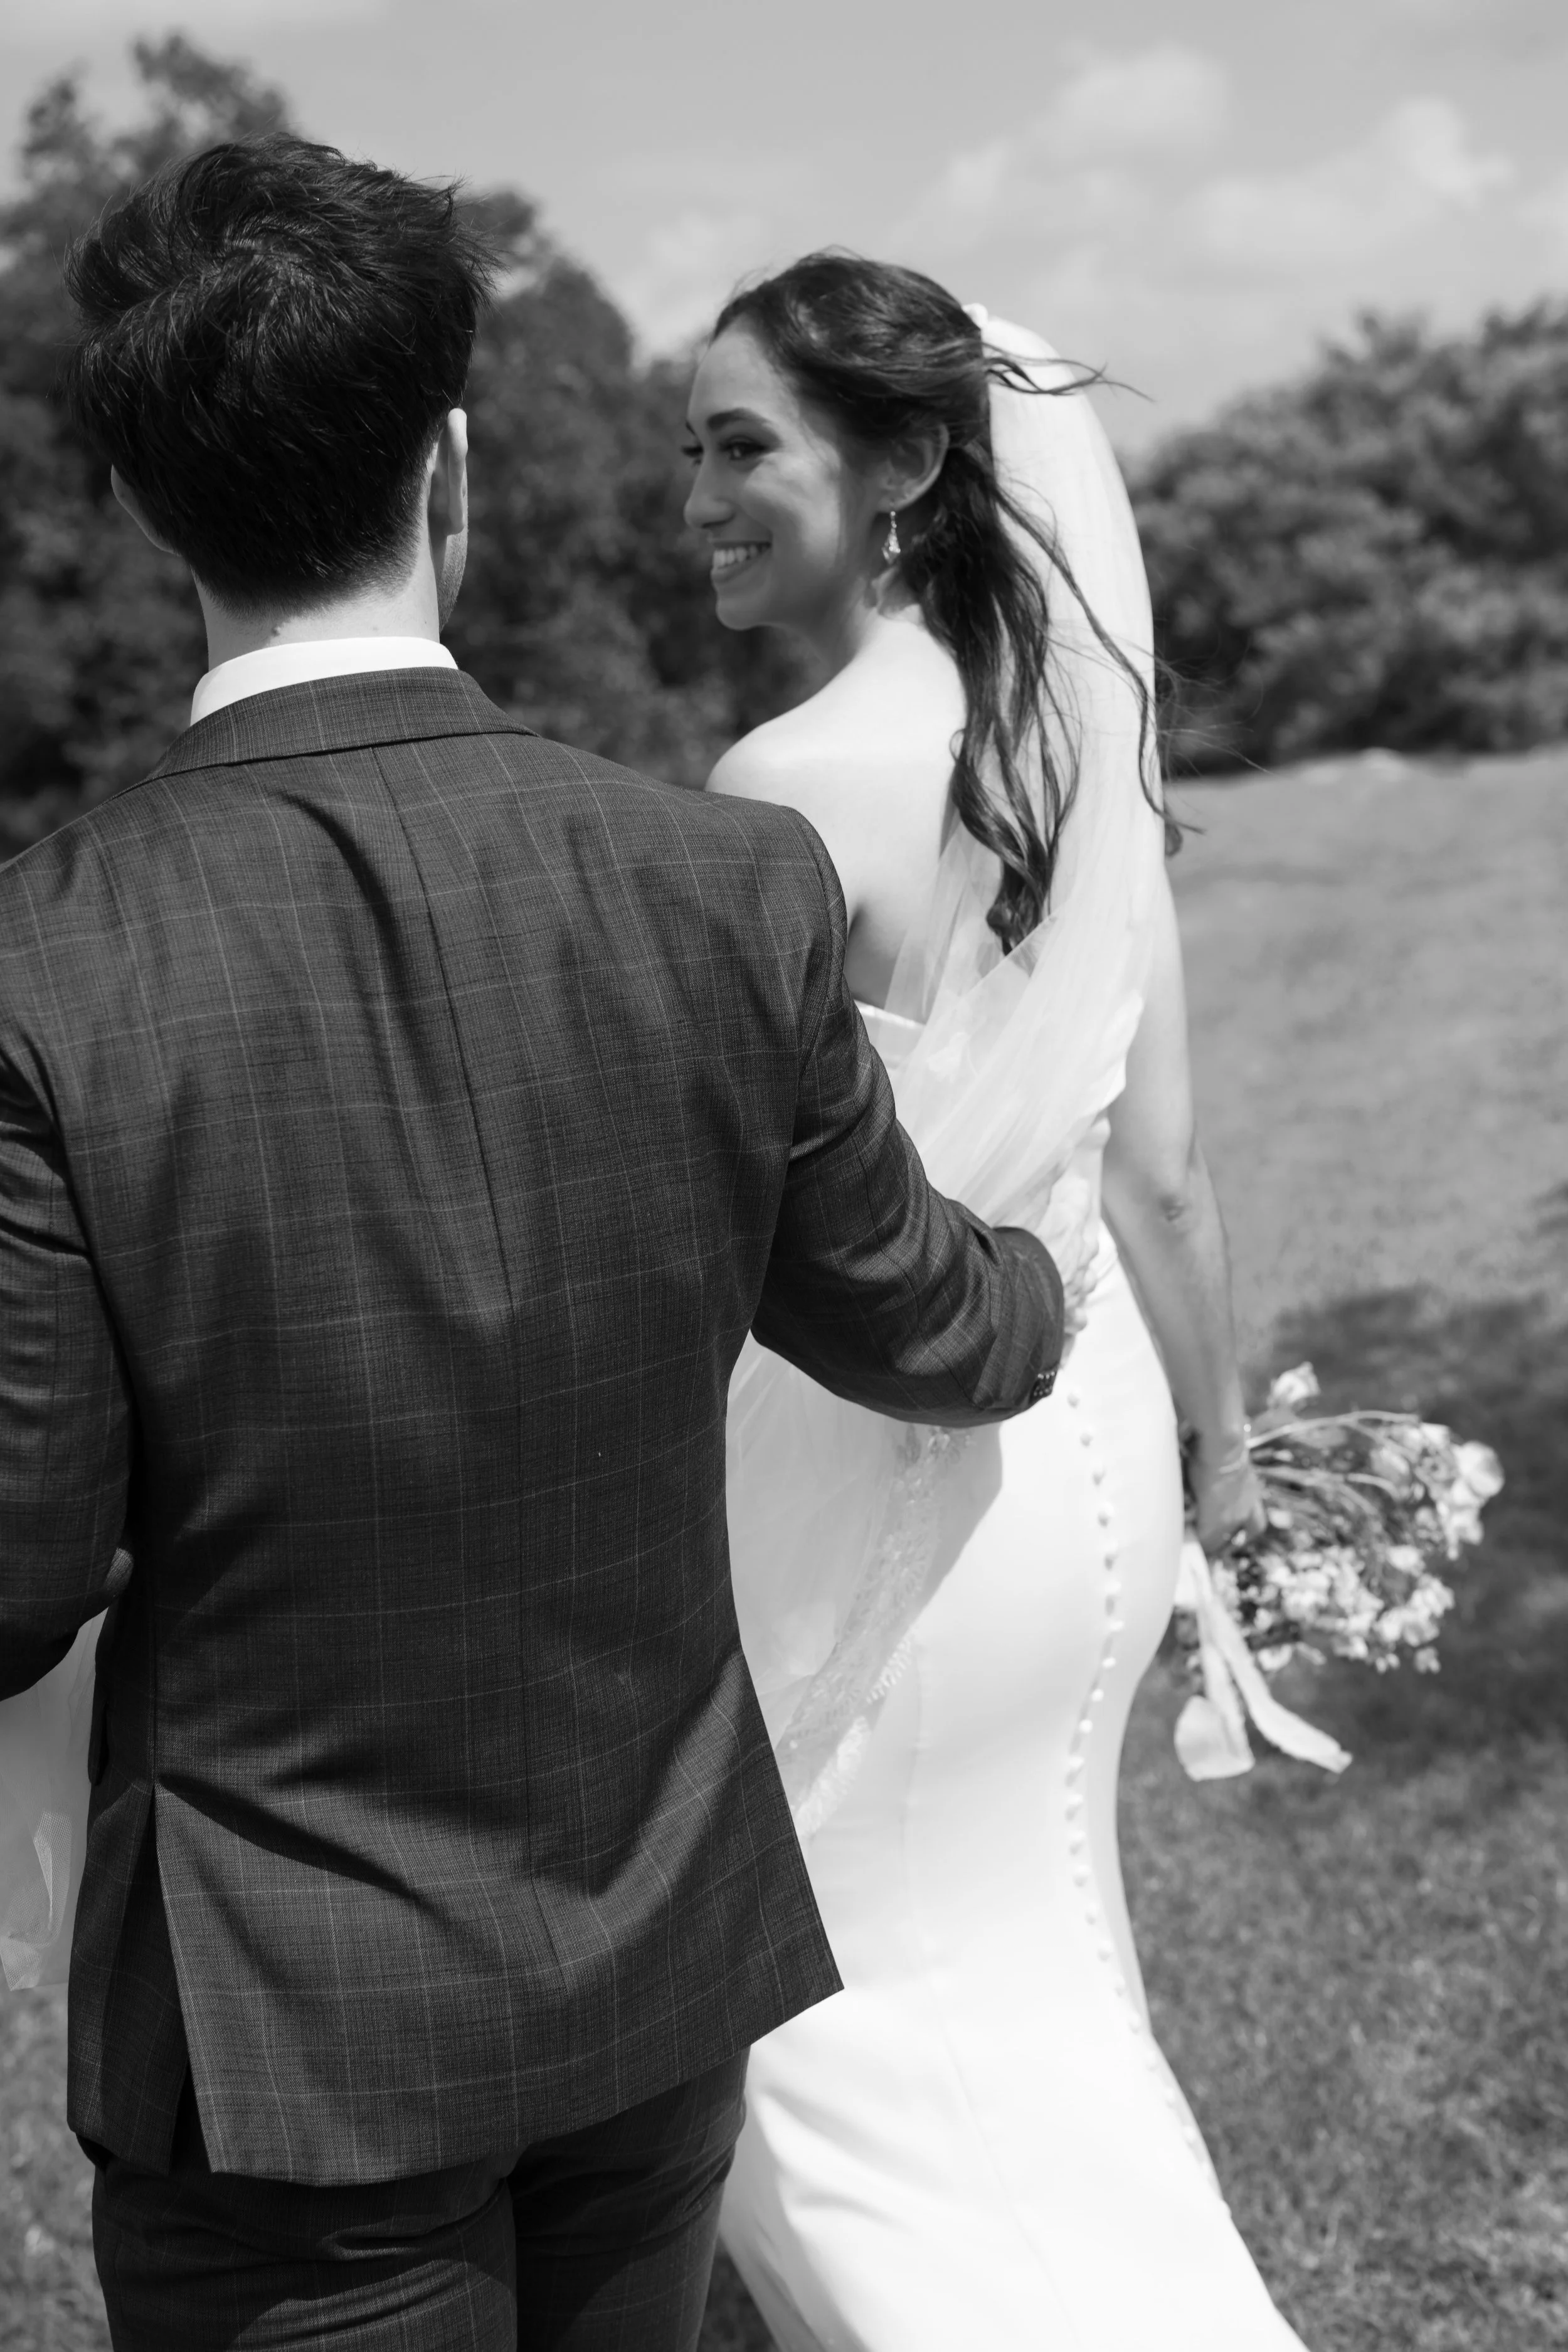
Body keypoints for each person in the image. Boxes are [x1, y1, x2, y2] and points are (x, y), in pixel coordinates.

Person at [0, 151, 1070, 2352]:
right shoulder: (718, 885)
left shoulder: (44, 961)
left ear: (141, 505)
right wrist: (1061, 1284)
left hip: (286, 2031)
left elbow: (16, 1559)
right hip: (652, 1949)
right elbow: (918, 1314)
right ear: (454, 469)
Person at [684, 254, 1311, 2348]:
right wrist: (1222, 1454)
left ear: (903, 469)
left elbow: (742, 1231)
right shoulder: (1077, 742)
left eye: (741, 445)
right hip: (1091, 1468)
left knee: (828, 2038)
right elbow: (1161, 1172)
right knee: (1033, 1981)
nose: (696, 498)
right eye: (691, 449)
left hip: (883, 1472)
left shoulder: (785, 785)